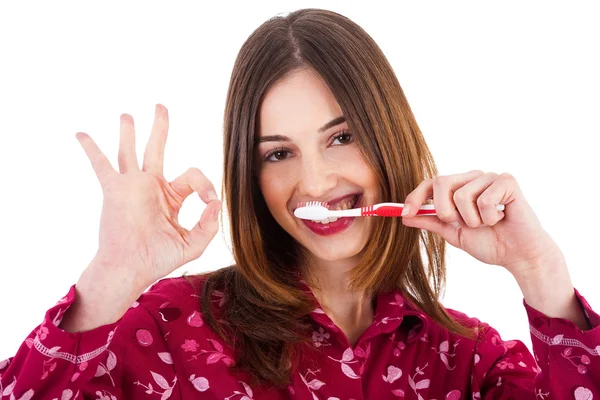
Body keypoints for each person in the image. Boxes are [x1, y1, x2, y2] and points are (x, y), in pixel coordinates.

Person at [0, 7, 598, 399]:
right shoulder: (165, 329)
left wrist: (542, 277)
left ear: (389, 136)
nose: (314, 183)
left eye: (341, 137)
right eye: (277, 154)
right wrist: (108, 280)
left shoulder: (469, 362)